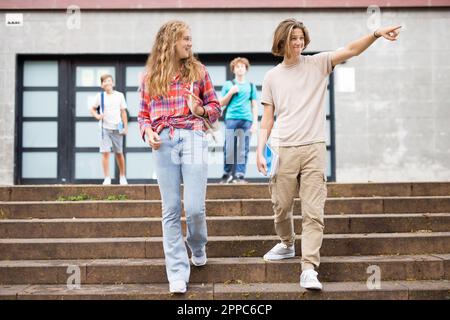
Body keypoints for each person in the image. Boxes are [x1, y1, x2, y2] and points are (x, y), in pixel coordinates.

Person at [257, 18, 401, 290]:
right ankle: (287, 244)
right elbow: (267, 118)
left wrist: (375, 33)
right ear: (282, 42)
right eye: (293, 38)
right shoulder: (271, 77)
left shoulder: (318, 63)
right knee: (281, 207)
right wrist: (259, 151)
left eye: (301, 38)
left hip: (313, 148)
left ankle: (309, 267)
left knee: (313, 212)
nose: (298, 43)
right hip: (283, 148)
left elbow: (351, 49)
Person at [137, 20, 221, 294]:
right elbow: (143, 116)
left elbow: (215, 108)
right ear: (170, 41)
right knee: (171, 209)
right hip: (164, 142)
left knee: (195, 207)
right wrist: (147, 131)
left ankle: (197, 244)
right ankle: (176, 272)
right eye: (185, 38)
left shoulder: (199, 72)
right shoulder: (149, 77)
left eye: (190, 38)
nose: (190, 43)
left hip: (193, 137)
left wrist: (199, 110)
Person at [219, 57, 259, 184]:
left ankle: (239, 175)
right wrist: (230, 92)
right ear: (234, 69)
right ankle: (227, 174)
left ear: (246, 69)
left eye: (242, 66)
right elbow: (220, 103)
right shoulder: (228, 85)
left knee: (243, 148)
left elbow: (254, 105)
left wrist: (255, 123)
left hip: (246, 120)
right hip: (231, 119)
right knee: (229, 147)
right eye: (237, 66)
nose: (240, 68)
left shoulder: (251, 86)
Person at [90, 74, 128, 185]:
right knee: (105, 153)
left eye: (109, 80)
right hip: (104, 128)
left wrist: (125, 127)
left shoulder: (119, 96)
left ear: (113, 83)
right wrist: (97, 116)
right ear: (102, 84)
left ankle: (122, 176)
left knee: (119, 153)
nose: (107, 83)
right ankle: (107, 177)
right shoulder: (99, 96)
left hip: (117, 127)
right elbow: (92, 108)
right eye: (105, 81)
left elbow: (123, 112)